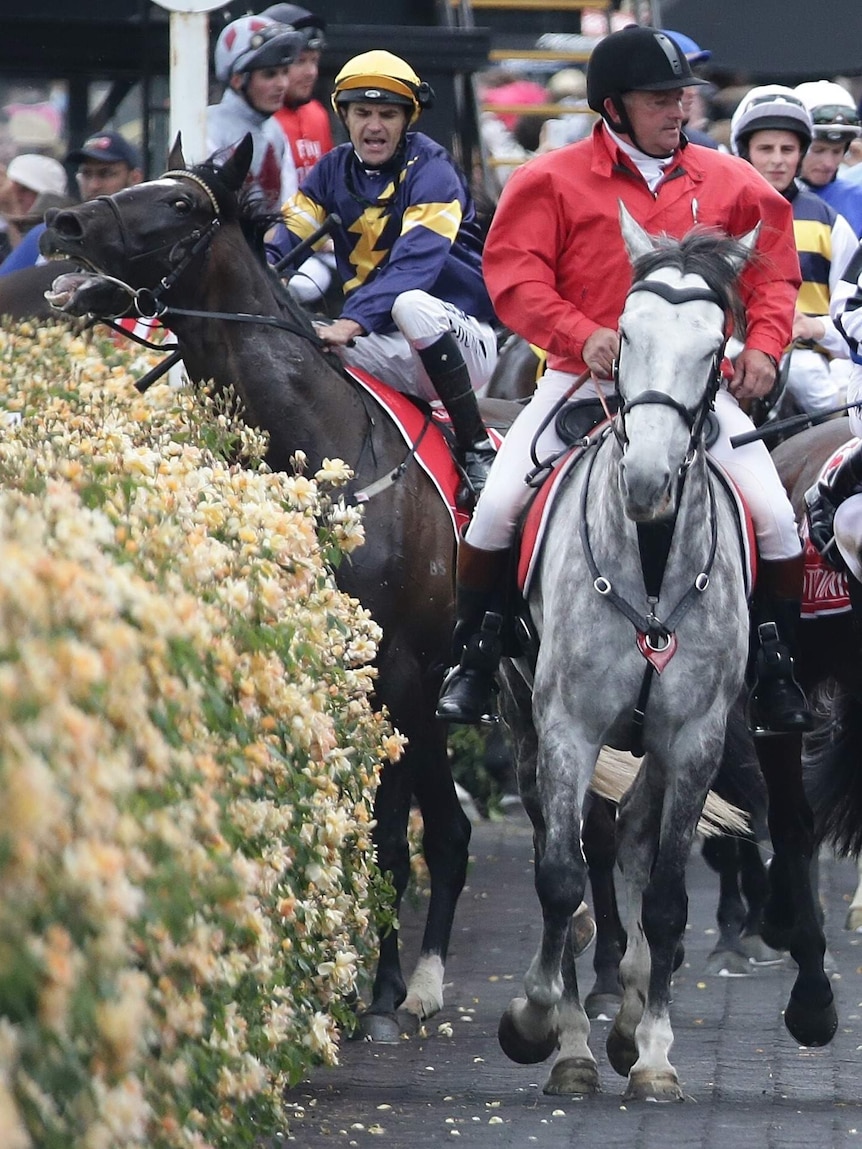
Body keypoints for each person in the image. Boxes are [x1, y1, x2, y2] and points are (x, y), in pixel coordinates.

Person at [436, 25, 812, 738]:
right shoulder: (549, 178)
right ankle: (477, 658)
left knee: (774, 518)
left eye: (683, 98)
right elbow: (514, 277)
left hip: (695, 389)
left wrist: (763, 346)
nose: (679, 110)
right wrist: (584, 335)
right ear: (614, 106)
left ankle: (773, 668)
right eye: (660, 99)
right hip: (584, 379)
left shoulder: (732, 181)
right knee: (495, 509)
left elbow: (776, 274)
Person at [270, 49, 499, 500]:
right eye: (363, 113)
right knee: (297, 342)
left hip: (460, 340)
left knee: (409, 304)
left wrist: (351, 322)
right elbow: (286, 236)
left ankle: (476, 449)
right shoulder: (331, 169)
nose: (374, 126)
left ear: (407, 119)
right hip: (380, 347)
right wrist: (258, 276)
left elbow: (415, 265)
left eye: (388, 114)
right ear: (345, 116)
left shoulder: (433, 170)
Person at [729, 85, 857, 416]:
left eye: (787, 149)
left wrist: (814, 329)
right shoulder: (720, 213)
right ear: (745, 152)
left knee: (812, 383)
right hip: (731, 353)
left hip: (808, 359)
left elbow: (850, 316)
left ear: (800, 155)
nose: (777, 160)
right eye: (765, 149)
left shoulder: (830, 223)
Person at [261, 3, 337, 307]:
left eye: (314, 60)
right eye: (301, 61)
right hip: (279, 252)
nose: (311, 72)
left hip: (319, 248)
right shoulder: (262, 125)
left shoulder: (317, 113)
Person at [207, 14, 305, 211]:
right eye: (270, 74)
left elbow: (289, 208)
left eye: (285, 72)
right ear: (237, 80)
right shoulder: (206, 128)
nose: (282, 84)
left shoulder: (275, 130)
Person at [795, 80, 862, 238]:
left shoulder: (858, 199)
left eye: (837, 151)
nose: (828, 163)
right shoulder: (763, 198)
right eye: (818, 150)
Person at [0, 152, 68, 274]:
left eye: (24, 190)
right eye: (12, 188)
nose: (15, 196)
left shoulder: (56, 235)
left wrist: (12, 209)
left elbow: (23, 278)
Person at [66, 130, 143, 198]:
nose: (93, 186)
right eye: (86, 174)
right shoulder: (67, 213)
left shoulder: (151, 213)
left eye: (106, 174)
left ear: (135, 178)